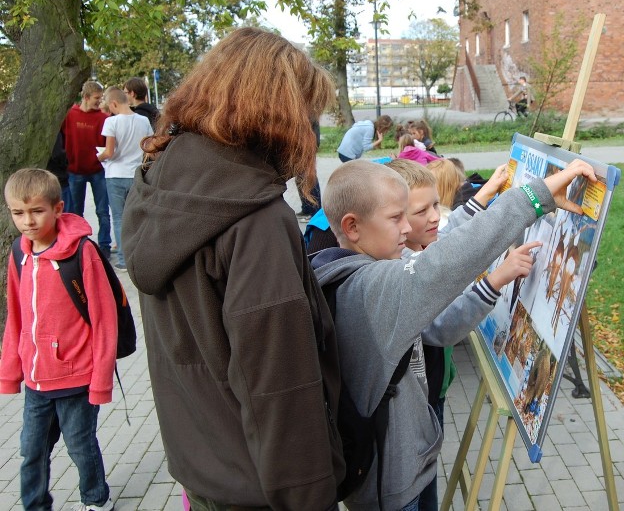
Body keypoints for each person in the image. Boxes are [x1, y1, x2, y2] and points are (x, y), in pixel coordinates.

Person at [121, 27, 344, 510]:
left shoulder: (159, 177)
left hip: (203, 463)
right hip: (261, 487)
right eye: (307, 115)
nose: (311, 130)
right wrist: (311, 498)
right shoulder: (257, 222)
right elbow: (282, 388)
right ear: (279, 114)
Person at [312, 157, 596, 510]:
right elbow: (444, 263)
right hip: (393, 489)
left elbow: (440, 247)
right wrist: (533, 198)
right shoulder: (369, 292)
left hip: (404, 468)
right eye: (396, 218)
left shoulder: (364, 268)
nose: (406, 228)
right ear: (352, 227)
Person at [1, 168, 117, 511]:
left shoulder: (81, 253)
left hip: (77, 378)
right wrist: (10, 372)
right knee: (31, 449)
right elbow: (16, 318)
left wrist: (100, 382)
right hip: (37, 381)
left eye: (37, 211)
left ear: (58, 207)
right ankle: (34, 504)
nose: (28, 222)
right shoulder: (18, 255)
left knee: (80, 445)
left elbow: (104, 320)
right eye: (18, 213)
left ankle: (96, 497)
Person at [96, 87, 153, 271]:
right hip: (136, 174)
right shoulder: (143, 120)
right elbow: (149, 146)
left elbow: (110, 152)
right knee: (139, 216)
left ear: (113, 103)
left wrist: (99, 156)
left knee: (119, 219)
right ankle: (142, 254)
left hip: (115, 175)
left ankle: (123, 259)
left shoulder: (111, 122)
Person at [62, 80, 112, 257]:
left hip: (98, 170)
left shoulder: (103, 119)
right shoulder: (69, 116)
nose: (100, 101)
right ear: (86, 97)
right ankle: (79, 245)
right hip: (75, 171)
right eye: (97, 98)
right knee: (76, 212)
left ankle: (105, 245)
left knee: (102, 211)